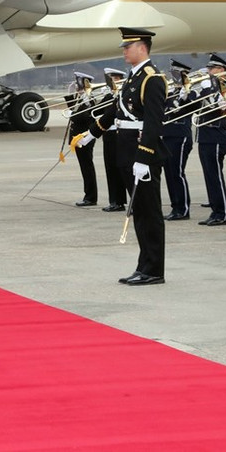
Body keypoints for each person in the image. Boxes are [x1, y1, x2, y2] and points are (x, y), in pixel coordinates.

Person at [72, 27, 167, 285]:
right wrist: (92, 133)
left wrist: (144, 157)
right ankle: (144, 265)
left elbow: (154, 123)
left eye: (128, 47)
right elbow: (117, 110)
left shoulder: (152, 79)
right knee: (139, 212)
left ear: (142, 48)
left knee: (149, 213)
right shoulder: (133, 77)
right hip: (127, 151)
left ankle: (154, 270)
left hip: (141, 153)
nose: (124, 51)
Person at [196, 53, 226, 226]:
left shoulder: (225, 87)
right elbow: (196, 106)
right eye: (209, 68)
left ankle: (222, 213)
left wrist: (210, 90)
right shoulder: (209, 86)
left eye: (213, 68)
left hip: (216, 135)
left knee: (215, 176)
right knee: (209, 176)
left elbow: (222, 107)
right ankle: (215, 210)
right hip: (205, 135)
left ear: (222, 70)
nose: (209, 71)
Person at [161, 59, 194, 220]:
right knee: (169, 172)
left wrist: (184, 98)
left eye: (177, 73)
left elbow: (192, 108)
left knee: (177, 172)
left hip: (180, 136)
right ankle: (175, 206)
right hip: (167, 135)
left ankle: (183, 208)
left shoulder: (191, 92)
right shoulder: (171, 92)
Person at [67, 72, 99, 207]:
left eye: (78, 82)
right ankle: (89, 195)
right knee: (85, 167)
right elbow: (72, 107)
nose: (76, 85)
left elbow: (86, 116)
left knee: (87, 167)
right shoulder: (81, 97)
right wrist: (69, 94)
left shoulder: (89, 98)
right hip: (79, 138)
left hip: (85, 137)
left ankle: (90, 197)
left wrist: (72, 115)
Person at [100, 68, 128, 212]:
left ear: (118, 79)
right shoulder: (109, 96)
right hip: (108, 136)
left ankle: (121, 201)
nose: (111, 82)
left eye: (113, 79)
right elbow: (97, 111)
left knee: (121, 169)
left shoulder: (123, 95)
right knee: (110, 169)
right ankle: (115, 200)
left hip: (118, 134)